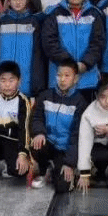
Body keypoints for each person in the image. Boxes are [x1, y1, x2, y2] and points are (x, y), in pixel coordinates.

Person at [29, 60, 88, 193]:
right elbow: (37, 118)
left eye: (67, 76)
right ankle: (43, 171)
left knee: (62, 187)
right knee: (37, 143)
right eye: (59, 75)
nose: (62, 79)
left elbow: (77, 135)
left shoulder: (80, 102)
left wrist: (69, 163)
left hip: (65, 149)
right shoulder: (45, 96)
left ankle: (59, 168)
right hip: (48, 143)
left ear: (75, 78)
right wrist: (39, 132)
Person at [41, 0, 106, 94]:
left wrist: (85, 63)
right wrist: (68, 64)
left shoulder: (94, 14)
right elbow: (49, 42)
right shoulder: (54, 13)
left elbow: (98, 42)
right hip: (60, 77)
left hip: (87, 77)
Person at [0, 0, 44, 98]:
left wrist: (37, 87)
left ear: (27, 0)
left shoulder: (34, 23)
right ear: (9, 1)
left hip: (26, 85)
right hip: (2, 85)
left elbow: (38, 57)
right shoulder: (0, 23)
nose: (18, 2)